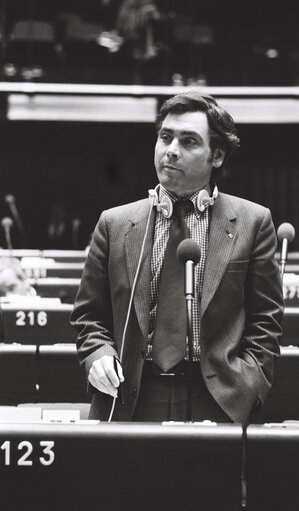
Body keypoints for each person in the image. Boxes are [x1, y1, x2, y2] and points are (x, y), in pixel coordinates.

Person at [71, 91, 284, 424]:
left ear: (216, 156)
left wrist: (250, 386)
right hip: (131, 396)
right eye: (165, 137)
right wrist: (98, 354)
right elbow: (88, 317)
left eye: (188, 142)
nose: (171, 150)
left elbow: (265, 321)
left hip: (219, 397)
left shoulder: (252, 222)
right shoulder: (113, 224)